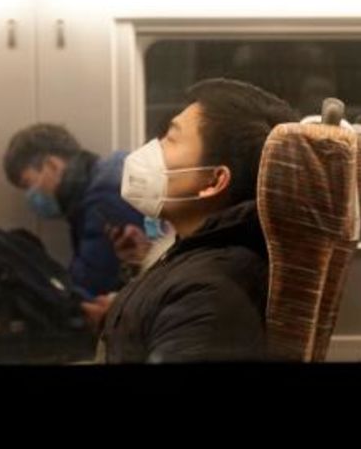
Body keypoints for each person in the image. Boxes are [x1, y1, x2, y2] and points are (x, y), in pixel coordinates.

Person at [100, 78, 297, 363]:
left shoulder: (208, 295)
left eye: (171, 138)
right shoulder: (196, 257)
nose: (151, 150)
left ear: (213, 180)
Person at [3, 124, 146, 299]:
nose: (30, 197)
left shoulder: (105, 197)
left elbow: (92, 286)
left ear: (52, 165)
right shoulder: (97, 187)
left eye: (28, 184)